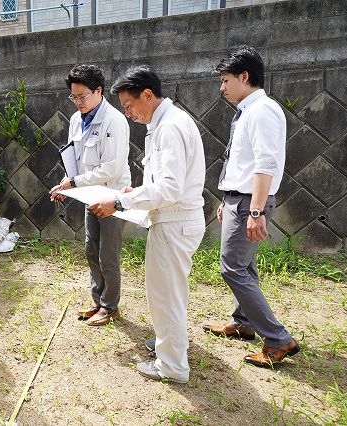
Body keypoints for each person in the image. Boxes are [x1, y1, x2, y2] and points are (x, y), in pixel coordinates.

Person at [90, 66, 205, 383]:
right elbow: (163, 182)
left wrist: (119, 201)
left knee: (165, 296)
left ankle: (172, 366)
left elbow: (170, 189)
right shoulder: (164, 123)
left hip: (174, 223)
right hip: (174, 221)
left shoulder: (169, 127)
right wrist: (133, 193)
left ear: (147, 95)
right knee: (168, 293)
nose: (127, 113)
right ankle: (168, 346)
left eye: (128, 104)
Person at [204, 45, 299, 367]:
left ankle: (278, 339)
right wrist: (227, 198)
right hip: (239, 198)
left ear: (244, 77)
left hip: (249, 202)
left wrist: (255, 211)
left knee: (232, 268)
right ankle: (243, 323)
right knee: (244, 267)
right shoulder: (249, 110)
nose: (222, 87)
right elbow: (241, 162)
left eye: (226, 79)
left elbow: (265, 164)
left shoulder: (262, 111)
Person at [49, 64, 131, 327]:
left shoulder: (114, 120)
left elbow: (111, 168)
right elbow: (75, 159)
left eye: (82, 96)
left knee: (108, 254)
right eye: (74, 97)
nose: (78, 102)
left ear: (99, 91)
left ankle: (110, 306)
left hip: (112, 197)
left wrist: (73, 183)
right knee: (91, 249)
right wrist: (67, 182)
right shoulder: (76, 119)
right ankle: (98, 300)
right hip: (89, 195)